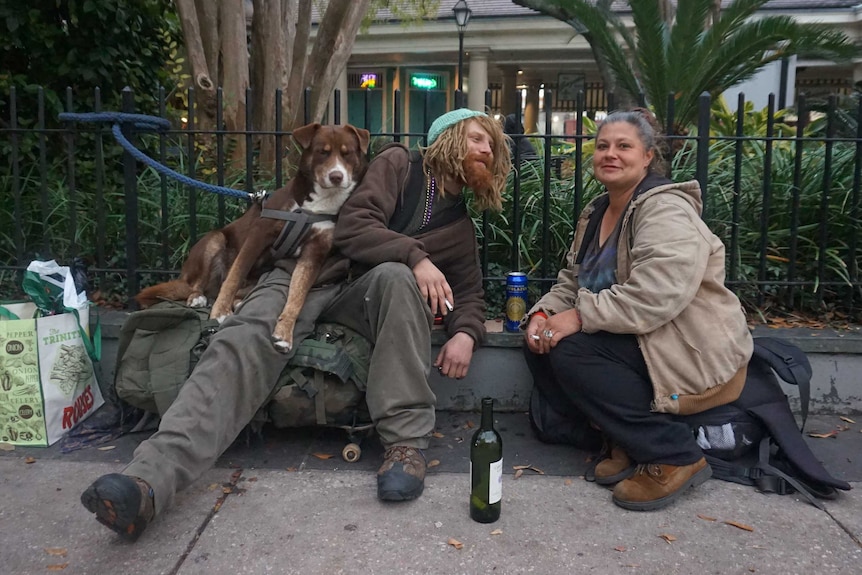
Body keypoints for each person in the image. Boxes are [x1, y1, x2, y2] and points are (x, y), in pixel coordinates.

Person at [80, 108, 512, 541]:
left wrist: (464, 333)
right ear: (447, 138)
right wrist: (417, 256)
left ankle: (405, 446)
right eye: (477, 138)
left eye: (492, 145)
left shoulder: (460, 229)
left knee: (397, 280)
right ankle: (147, 482)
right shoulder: (398, 165)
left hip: (366, 295)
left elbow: (470, 293)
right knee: (243, 339)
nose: (486, 150)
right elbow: (354, 228)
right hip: (306, 273)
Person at [522, 108, 752, 512]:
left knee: (571, 349)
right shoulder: (598, 211)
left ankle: (674, 455)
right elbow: (572, 281)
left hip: (686, 347)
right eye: (603, 145)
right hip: (639, 336)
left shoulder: (665, 210)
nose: (610, 154)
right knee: (541, 340)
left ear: (647, 156)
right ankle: (622, 438)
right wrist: (542, 315)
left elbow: (658, 293)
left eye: (624, 146)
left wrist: (577, 317)